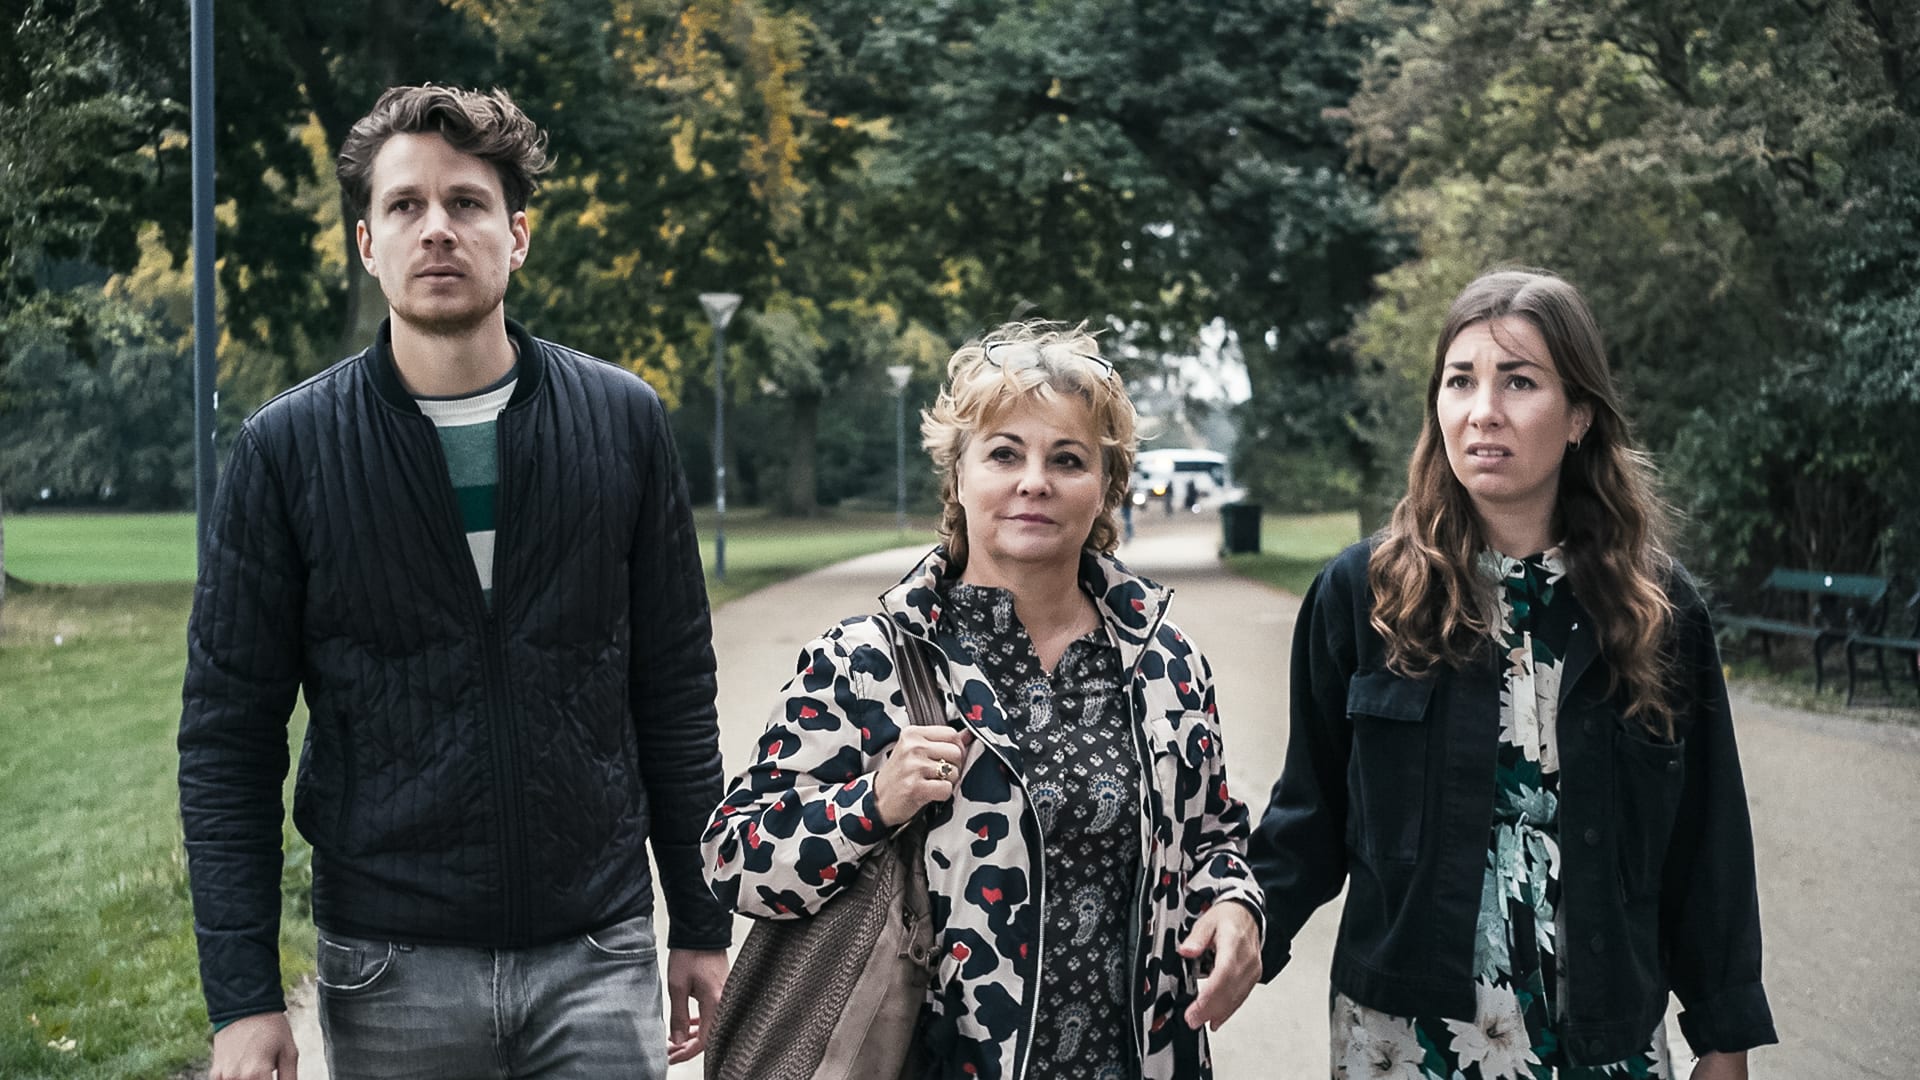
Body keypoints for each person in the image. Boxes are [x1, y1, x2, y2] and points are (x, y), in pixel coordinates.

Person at [178, 85, 731, 1080]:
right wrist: (244, 998)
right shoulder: (286, 452)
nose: (437, 228)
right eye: (405, 205)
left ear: (516, 237)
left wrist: (700, 918)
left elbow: (675, 689)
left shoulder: (623, 423)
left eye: (467, 203)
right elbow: (229, 739)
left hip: (597, 951)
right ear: (367, 243)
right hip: (389, 966)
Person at [702, 321, 1265, 1080]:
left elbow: (1215, 836)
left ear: (1107, 487)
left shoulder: (1166, 663)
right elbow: (734, 857)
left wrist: (1235, 903)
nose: (1035, 481)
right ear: (958, 475)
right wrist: (874, 801)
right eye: (1004, 454)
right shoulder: (868, 662)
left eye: (1067, 459)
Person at [1249, 269, 1775, 1078]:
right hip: (1405, 1042)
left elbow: (1708, 846)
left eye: (1519, 381)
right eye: (1460, 381)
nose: (1483, 410)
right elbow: (1308, 816)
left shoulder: (1657, 610)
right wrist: (1246, 927)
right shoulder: (1364, 597)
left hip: (1605, 1039)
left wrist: (1723, 1034)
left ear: (1579, 416)